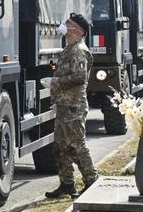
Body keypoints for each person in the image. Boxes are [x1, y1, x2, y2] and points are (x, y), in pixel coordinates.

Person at [41, 13, 99, 199]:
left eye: (68, 23)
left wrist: (54, 82)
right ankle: (67, 184)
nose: (64, 25)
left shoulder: (78, 50)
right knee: (60, 147)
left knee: (76, 146)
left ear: (77, 30)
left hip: (74, 106)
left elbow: (80, 77)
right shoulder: (70, 48)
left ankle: (92, 181)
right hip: (64, 104)